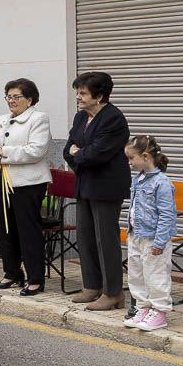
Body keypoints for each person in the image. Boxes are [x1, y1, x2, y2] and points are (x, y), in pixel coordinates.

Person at [62, 71, 130, 311]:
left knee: (105, 239)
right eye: (77, 92)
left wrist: (78, 154)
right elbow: (66, 149)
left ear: (99, 96)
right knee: (86, 237)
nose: (78, 97)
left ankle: (113, 292)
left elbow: (98, 153)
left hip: (106, 186)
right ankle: (91, 286)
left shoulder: (113, 118)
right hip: (85, 184)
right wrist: (78, 154)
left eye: (83, 93)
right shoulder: (81, 118)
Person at [0, 79, 52, 296]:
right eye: (8, 97)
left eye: (16, 97)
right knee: (5, 229)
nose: (11, 101)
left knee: (27, 231)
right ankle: (12, 272)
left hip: (28, 184)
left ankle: (35, 278)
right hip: (2, 180)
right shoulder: (2, 120)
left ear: (30, 99)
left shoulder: (38, 118)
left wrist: (2, 154)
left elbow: (36, 151)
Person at [122, 135, 177, 332]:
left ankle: (159, 311)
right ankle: (142, 307)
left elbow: (167, 213)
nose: (129, 162)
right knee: (136, 273)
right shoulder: (138, 179)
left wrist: (160, 242)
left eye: (131, 158)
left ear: (145, 156)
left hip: (154, 238)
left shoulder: (162, 182)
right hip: (136, 234)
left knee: (155, 274)